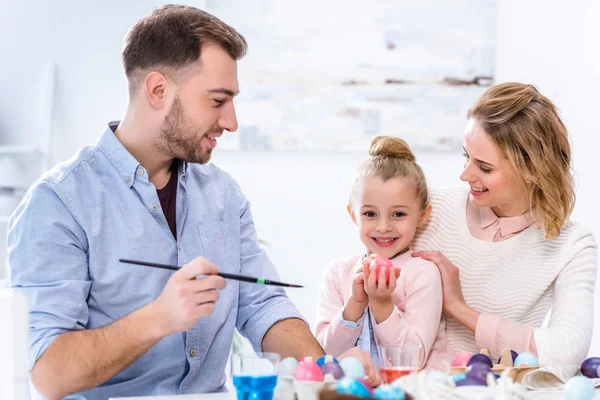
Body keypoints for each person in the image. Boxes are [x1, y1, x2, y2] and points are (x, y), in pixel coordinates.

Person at [8, 5, 378, 400]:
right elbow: (49, 374)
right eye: (218, 100)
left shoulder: (222, 194)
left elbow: (263, 305)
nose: (232, 121)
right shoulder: (58, 203)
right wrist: (158, 318)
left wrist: (324, 373)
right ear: (158, 90)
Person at [411, 82, 598, 366]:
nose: (465, 175)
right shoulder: (427, 210)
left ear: (532, 171)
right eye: (466, 156)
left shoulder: (572, 246)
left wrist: (459, 309)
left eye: (484, 167)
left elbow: (567, 351)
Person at [316, 136, 451, 370]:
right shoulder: (338, 273)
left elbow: (412, 360)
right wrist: (354, 305)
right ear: (352, 214)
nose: (383, 227)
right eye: (370, 214)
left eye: (398, 214)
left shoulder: (424, 273)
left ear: (422, 216)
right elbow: (324, 355)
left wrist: (382, 303)